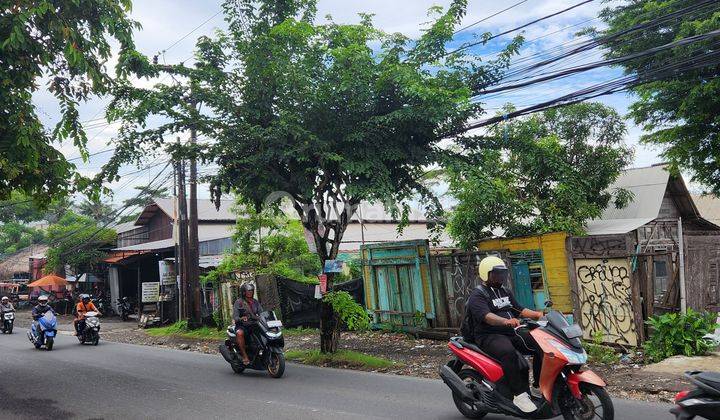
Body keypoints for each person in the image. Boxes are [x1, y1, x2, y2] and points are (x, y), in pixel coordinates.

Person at [464, 256, 544, 413]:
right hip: (488, 335)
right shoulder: (478, 295)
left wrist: (539, 314)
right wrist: (505, 321)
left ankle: (537, 386)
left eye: (502, 274)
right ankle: (519, 395)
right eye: (496, 274)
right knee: (508, 353)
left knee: (541, 344)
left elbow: (519, 310)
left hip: (511, 332)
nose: (501, 277)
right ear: (486, 274)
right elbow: (487, 317)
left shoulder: (505, 291)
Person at [232, 283, 263, 365]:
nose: (250, 292)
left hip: (254, 325)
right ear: (243, 292)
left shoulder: (256, 302)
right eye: (248, 291)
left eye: (252, 291)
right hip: (242, 325)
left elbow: (262, 313)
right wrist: (241, 318)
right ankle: (245, 356)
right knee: (239, 333)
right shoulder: (238, 302)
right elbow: (235, 317)